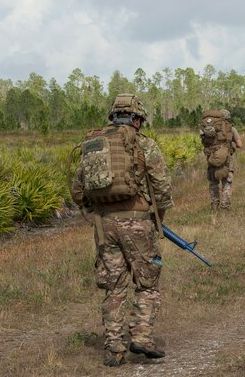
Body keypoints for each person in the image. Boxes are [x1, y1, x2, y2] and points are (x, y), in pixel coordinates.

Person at [70, 94, 173, 367]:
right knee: (147, 282)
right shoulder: (144, 145)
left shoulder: (94, 146)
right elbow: (162, 189)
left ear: (113, 116)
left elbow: (77, 190)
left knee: (114, 287)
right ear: (137, 118)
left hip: (105, 226)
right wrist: (156, 218)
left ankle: (114, 349)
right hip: (138, 221)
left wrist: (93, 215)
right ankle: (141, 336)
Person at [200, 109, 243, 210]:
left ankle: (214, 205)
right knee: (227, 181)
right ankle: (225, 205)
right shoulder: (231, 128)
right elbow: (240, 145)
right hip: (226, 158)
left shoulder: (205, 128)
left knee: (213, 182)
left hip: (211, 157)